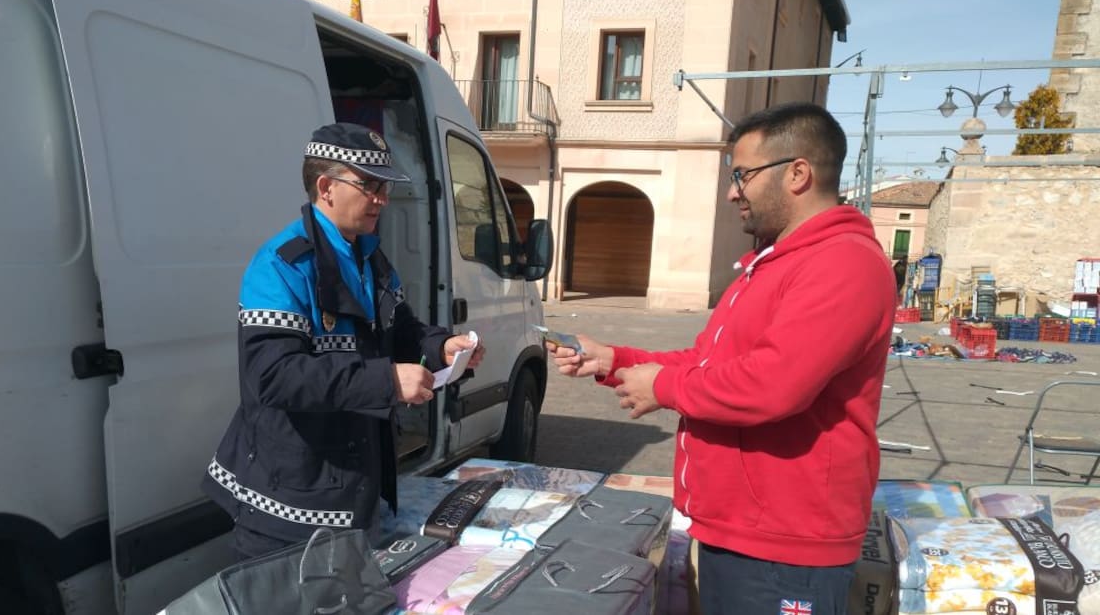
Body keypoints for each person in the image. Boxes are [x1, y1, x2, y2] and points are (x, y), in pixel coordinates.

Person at [548, 103, 895, 614]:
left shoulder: (843, 263)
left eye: (743, 175)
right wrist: (613, 360)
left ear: (798, 173)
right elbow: (708, 360)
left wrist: (662, 387)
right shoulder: (772, 264)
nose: (733, 192)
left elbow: (772, 385)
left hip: (786, 544)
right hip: (742, 531)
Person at [203, 122, 483, 559]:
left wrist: (440, 347)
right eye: (370, 186)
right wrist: (387, 382)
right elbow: (273, 376)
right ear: (325, 187)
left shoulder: (370, 256)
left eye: (385, 187)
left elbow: (400, 330)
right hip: (289, 507)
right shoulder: (281, 265)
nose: (382, 199)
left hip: (353, 492)